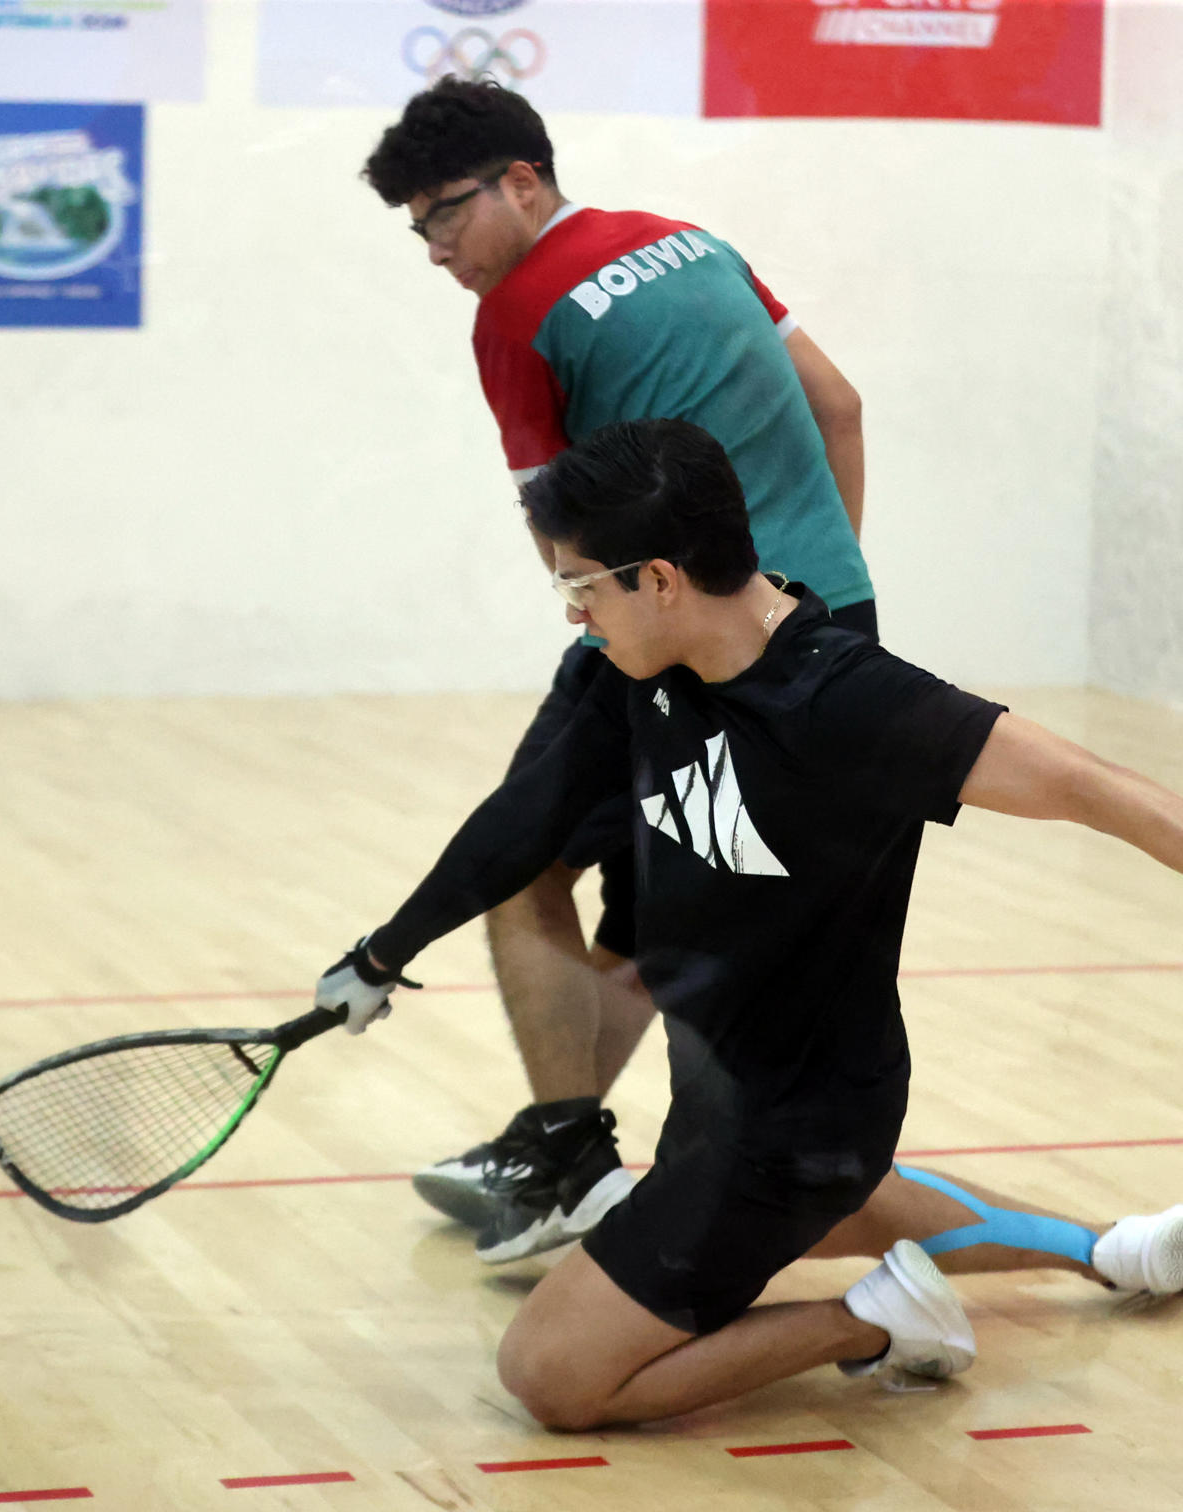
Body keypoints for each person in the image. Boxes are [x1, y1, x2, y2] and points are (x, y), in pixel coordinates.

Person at [309, 419, 1183, 1429]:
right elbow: (526, 823)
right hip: (735, 1102)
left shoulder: (851, 702)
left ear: (659, 577)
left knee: (551, 1375)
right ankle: (1107, 1251)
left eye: (583, 586)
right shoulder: (638, 670)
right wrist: (381, 955)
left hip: (797, 1120)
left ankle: (874, 1323)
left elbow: (1092, 786)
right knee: (852, 1202)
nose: (575, 613)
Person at [361, 78, 877, 1262]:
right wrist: (819, 591)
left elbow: (558, 521)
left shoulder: (520, 314)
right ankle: (558, 1145)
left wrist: (607, 640)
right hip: (827, 622)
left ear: (525, 182)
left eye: (446, 214)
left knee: (522, 862)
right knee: (652, 912)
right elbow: (839, 407)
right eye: (418, 227)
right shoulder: (693, 243)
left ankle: (567, 1163)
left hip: (670, 637)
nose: (436, 249)